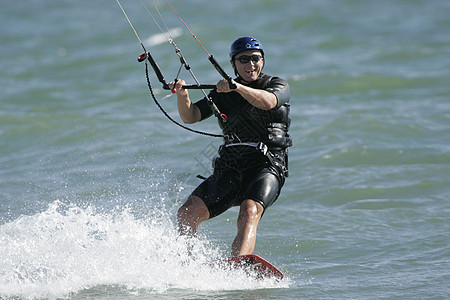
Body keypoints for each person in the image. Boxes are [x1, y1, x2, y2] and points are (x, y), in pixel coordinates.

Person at [169, 36, 291, 257]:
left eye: (255, 58)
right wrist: (183, 93)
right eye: (243, 60)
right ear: (233, 64)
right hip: (231, 168)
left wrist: (237, 88)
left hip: (267, 166)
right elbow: (191, 116)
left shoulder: (276, 85)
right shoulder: (222, 93)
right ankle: (188, 266)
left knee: (249, 211)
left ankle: (237, 265)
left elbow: (269, 102)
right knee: (186, 213)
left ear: (262, 61)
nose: (250, 64)